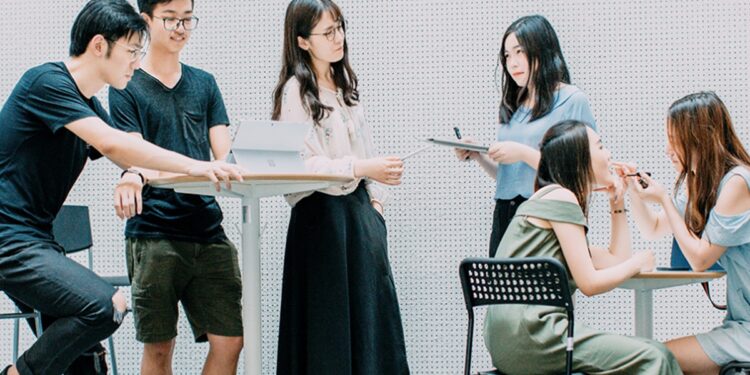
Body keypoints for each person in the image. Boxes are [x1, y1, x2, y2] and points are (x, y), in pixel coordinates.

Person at [0, 0, 243, 374]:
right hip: (9, 238)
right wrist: (198, 164)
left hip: (35, 238)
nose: (135, 61)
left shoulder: (89, 105)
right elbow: (117, 145)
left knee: (88, 363)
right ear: (100, 46)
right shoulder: (46, 83)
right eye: (131, 51)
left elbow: (132, 156)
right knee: (105, 305)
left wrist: (134, 174)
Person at [270, 0, 409, 373]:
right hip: (321, 221)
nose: (338, 38)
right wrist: (364, 168)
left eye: (340, 27)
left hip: (359, 218)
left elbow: (368, 148)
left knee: (371, 329)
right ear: (302, 42)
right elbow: (301, 166)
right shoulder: (296, 91)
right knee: (327, 333)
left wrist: (375, 207)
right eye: (327, 32)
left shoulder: (345, 83)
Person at [108, 0, 243, 373]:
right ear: (145, 20)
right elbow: (135, 155)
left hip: (207, 230)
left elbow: (224, 156)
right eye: (170, 19)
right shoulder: (126, 84)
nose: (180, 28)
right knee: (160, 349)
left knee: (230, 340)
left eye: (187, 19)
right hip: (154, 234)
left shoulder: (204, 83)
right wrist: (135, 174)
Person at [483, 120, 682, 374]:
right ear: (580, 160)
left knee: (648, 354)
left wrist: (616, 203)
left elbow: (615, 259)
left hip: (509, 340)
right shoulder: (561, 197)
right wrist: (638, 263)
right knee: (656, 355)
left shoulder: (546, 198)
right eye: (600, 146)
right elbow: (589, 284)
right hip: (536, 335)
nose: (608, 154)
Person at [455, 15, 597, 257]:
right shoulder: (514, 106)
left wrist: (522, 152)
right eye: (507, 55)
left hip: (548, 213)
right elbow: (509, 177)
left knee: (545, 291)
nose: (512, 63)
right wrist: (478, 155)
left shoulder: (572, 100)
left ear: (541, 49)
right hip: (506, 212)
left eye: (519, 51)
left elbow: (583, 172)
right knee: (501, 292)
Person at [629, 91, 750, 374]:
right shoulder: (705, 184)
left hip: (745, 329)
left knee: (655, 357)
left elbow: (700, 260)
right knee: (654, 356)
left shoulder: (737, 183)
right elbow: (654, 228)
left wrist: (665, 200)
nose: (668, 150)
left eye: (674, 140)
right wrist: (632, 194)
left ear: (699, 138)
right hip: (739, 323)